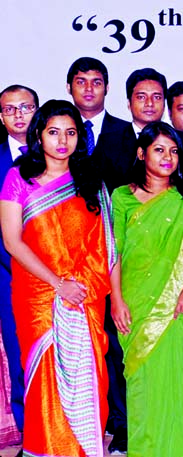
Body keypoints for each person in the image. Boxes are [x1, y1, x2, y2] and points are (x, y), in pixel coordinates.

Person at [0, 100, 115, 457]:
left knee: (88, 379)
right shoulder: (18, 178)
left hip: (84, 296)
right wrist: (57, 283)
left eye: (70, 132)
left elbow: (106, 247)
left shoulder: (91, 180)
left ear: (80, 137)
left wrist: (77, 287)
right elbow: (12, 241)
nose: (62, 140)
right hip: (37, 297)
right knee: (41, 378)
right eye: (53, 132)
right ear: (39, 136)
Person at [109, 121, 183, 457]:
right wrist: (116, 299)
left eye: (173, 151)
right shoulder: (122, 198)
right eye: (159, 149)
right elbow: (113, 252)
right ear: (141, 153)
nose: (168, 157)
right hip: (137, 304)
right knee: (145, 385)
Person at [93, 68, 183, 193]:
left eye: (157, 97)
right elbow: (97, 192)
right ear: (129, 103)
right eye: (141, 97)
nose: (149, 103)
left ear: (164, 103)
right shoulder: (109, 143)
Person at [0, 85, 36, 448]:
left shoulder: (60, 156)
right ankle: (30, 432)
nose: (19, 115)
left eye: (26, 107)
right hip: (7, 273)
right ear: (1, 117)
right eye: (11, 109)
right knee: (18, 353)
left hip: (56, 277)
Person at [66, 57, 130, 155]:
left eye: (96, 83)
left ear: (107, 88)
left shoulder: (127, 132)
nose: (89, 88)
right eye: (81, 82)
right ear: (69, 88)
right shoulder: (58, 132)